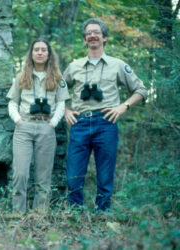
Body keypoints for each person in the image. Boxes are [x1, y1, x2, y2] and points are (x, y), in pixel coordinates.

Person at [63, 18, 148, 211]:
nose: (92, 35)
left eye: (97, 32)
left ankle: (102, 215)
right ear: (84, 40)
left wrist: (123, 106)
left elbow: (141, 90)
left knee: (105, 175)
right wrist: (66, 110)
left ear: (104, 37)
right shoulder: (74, 66)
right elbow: (55, 90)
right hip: (80, 123)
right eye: (88, 33)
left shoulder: (118, 65)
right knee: (73, 176)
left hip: (106, 123)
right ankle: (75, 215)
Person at [7, 38, 70, 213]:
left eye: (44, 50)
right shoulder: (21, 76)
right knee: (20, 174)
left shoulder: (57, 78)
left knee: (43, 176)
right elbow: (12, 102)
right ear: (31, 53)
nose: (40, 53)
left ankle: (39, 214)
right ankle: (17, 213)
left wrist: (52, 123)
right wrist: (18, 120)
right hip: (24, 126)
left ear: (49, 54)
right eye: (36, 50)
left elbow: (61, 104)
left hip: (46, 128)